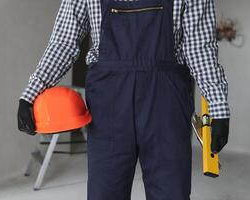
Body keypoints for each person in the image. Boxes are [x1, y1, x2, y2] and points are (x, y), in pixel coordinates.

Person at [17, 0, 230, 199]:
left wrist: (218, 107)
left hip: (166, 102)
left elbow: (200, 48)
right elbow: (63, 42)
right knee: (106, 191)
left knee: (171, 190)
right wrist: (31, 93)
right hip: (108, 103)